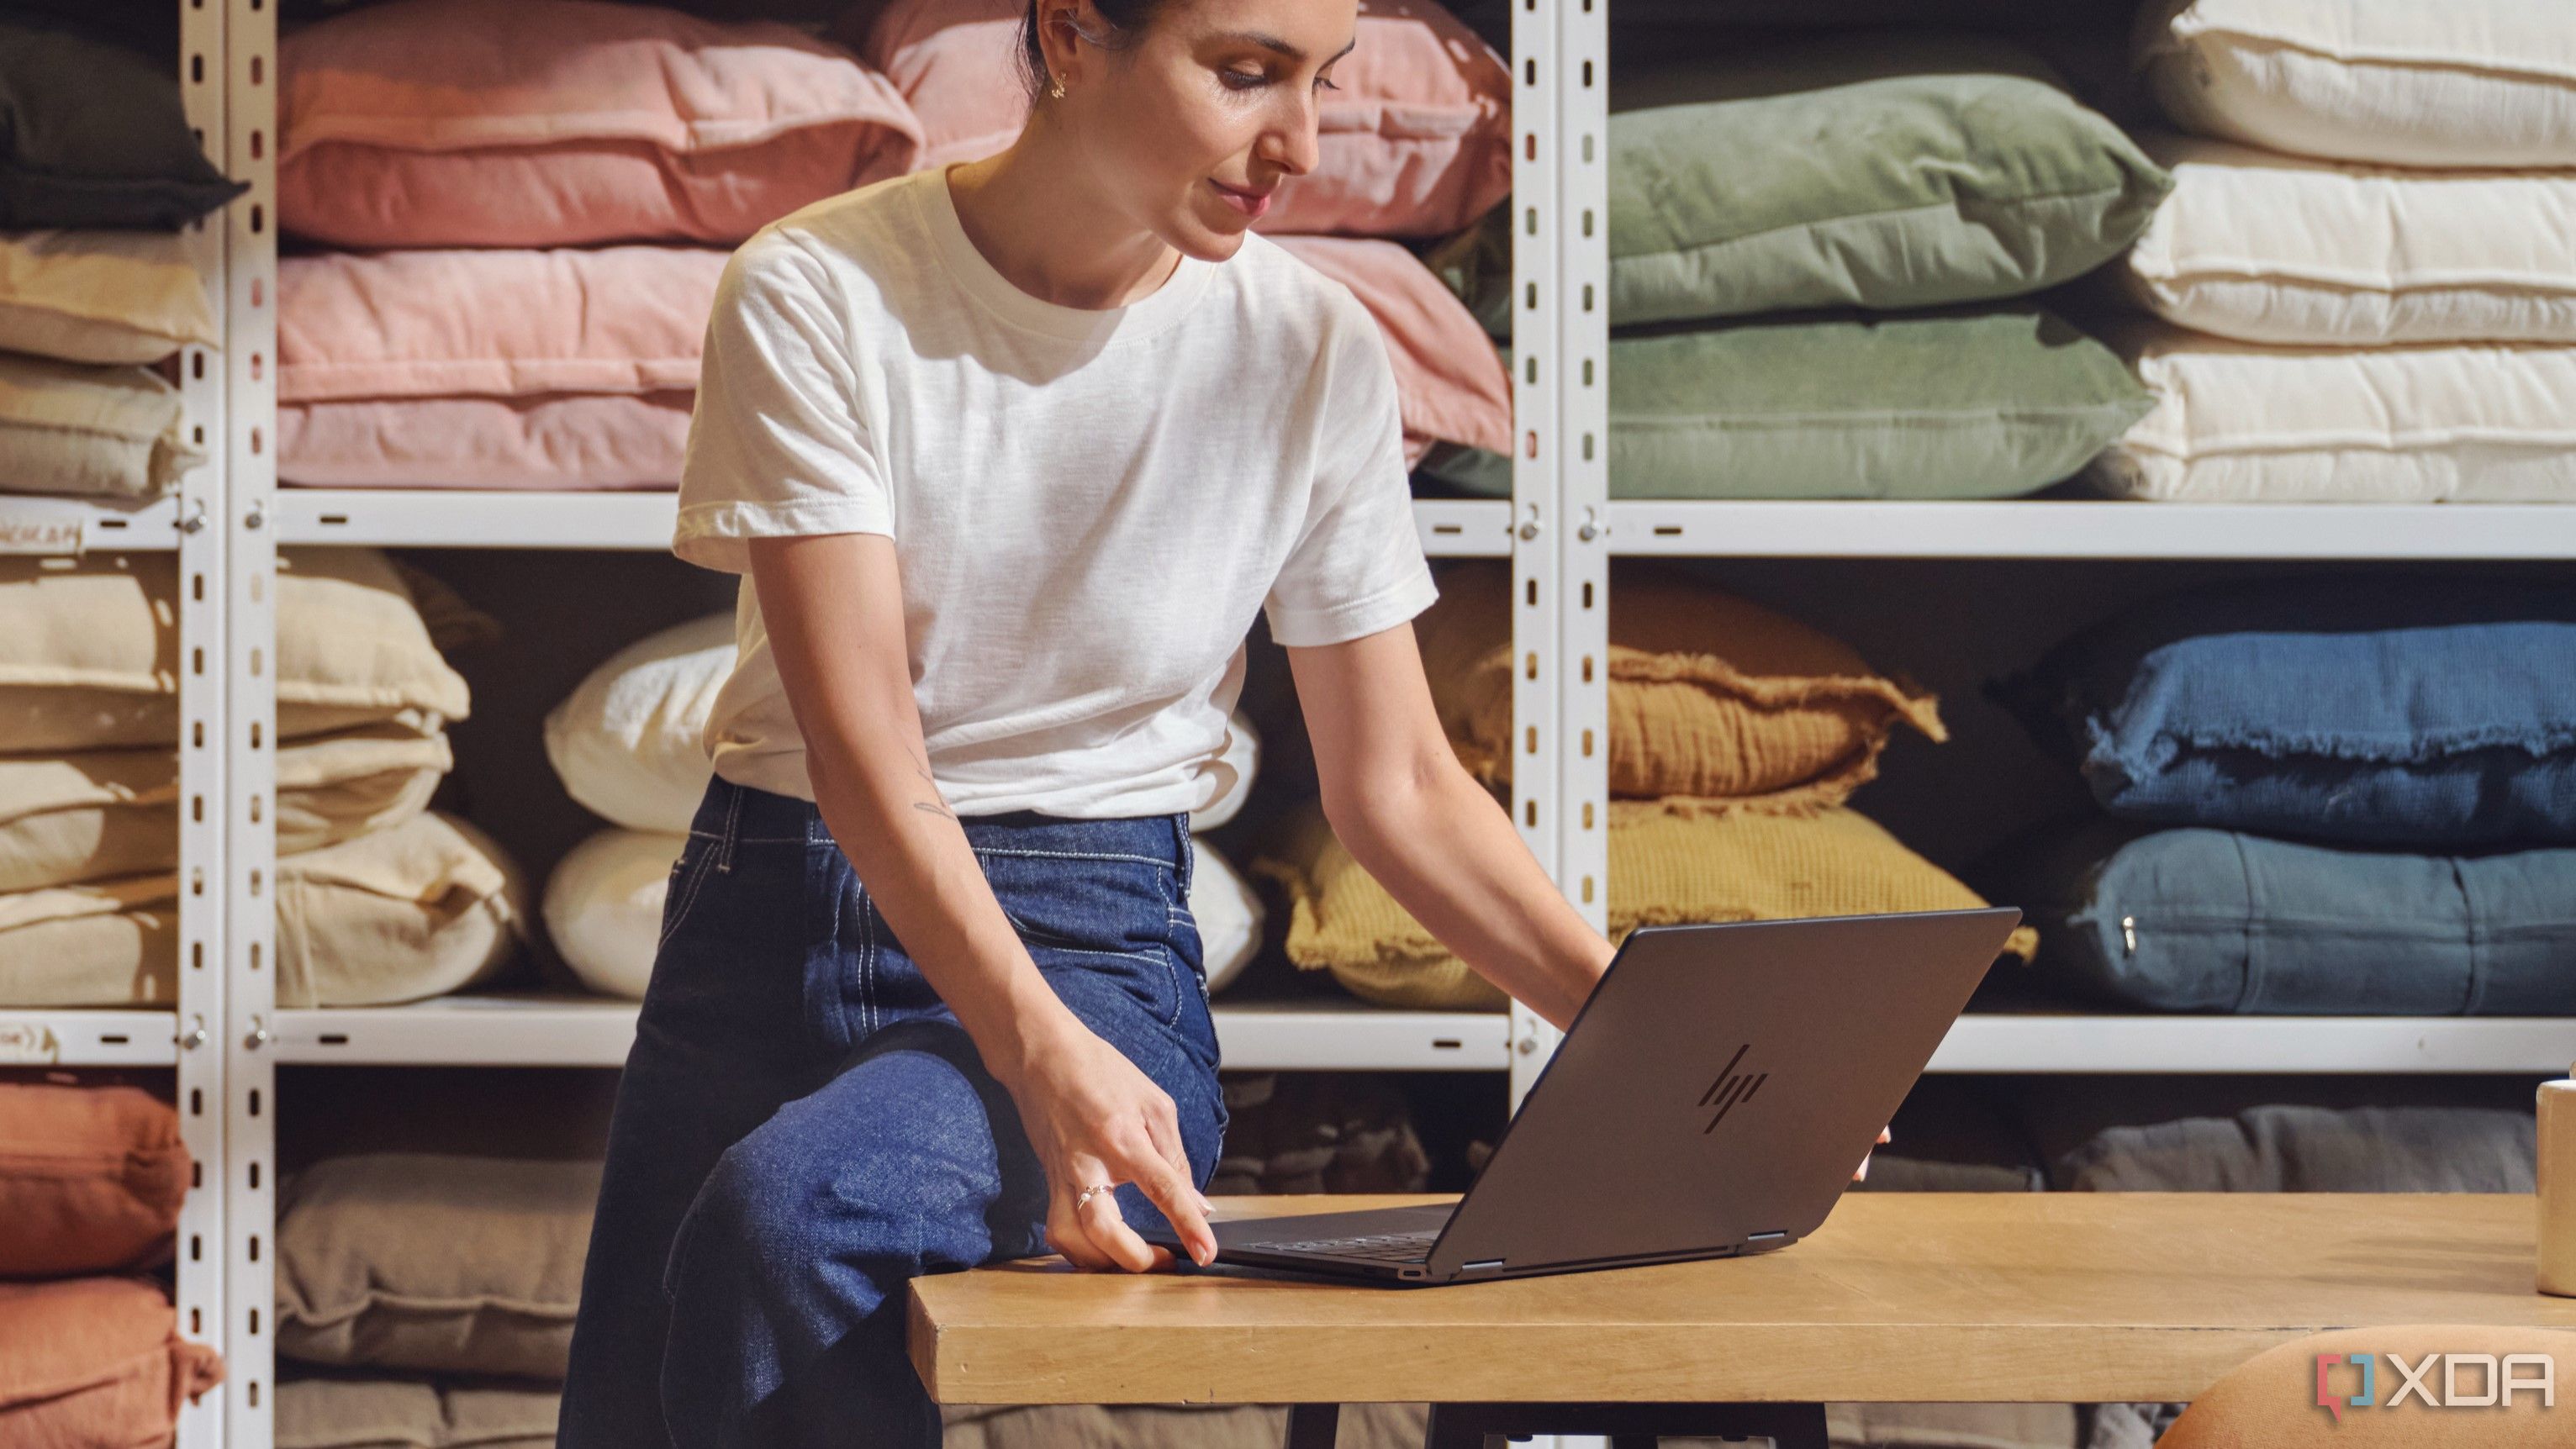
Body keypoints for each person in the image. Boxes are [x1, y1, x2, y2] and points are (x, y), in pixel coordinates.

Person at [556, 0, 1874, 1443]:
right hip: (771, 918)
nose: (1297, 142)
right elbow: (874, 763)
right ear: (1071, 36)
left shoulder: (1308, 350)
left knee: (791, 1216)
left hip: (1091, 936)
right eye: (1245, 75)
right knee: (642, 1402)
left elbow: (1404, 793)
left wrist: (1664, 1045)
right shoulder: (821, 289)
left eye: (1321, 82)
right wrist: (1027, 1054)